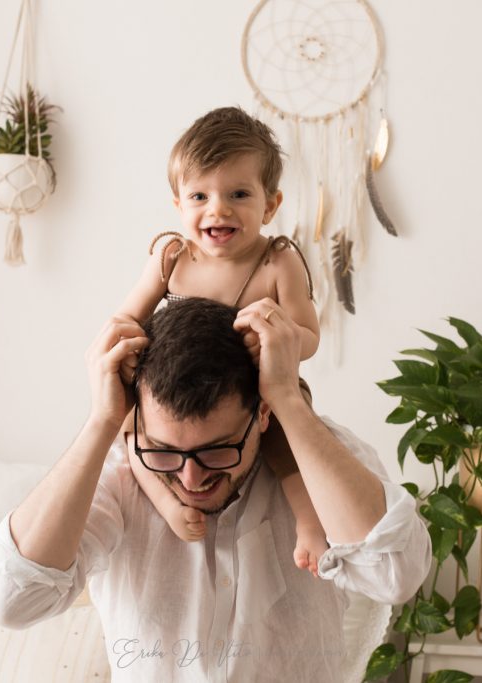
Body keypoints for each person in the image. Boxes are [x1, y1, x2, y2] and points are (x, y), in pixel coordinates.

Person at [0, 297, 432, 682]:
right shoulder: (117, 471)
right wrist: (102, 422)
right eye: (164, 451)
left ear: (262, 415)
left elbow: (395, 574)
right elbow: (12, 601)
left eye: (217, 451)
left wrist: (289, 398)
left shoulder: (322, 454)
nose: (191, 479)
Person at [118, 106, 327, 573]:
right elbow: (128, 317)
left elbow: (309, 336)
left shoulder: (277, 262)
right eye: (199, 195)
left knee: (289, 441)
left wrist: (280, 336)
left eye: (238, 193)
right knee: (131, 430)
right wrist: (125, 351)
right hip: (182, 388)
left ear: (270, 205)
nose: (218, 209)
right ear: (178, 205)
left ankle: (311, 522)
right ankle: (169, 505)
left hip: (259, 384)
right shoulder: (171, 258)